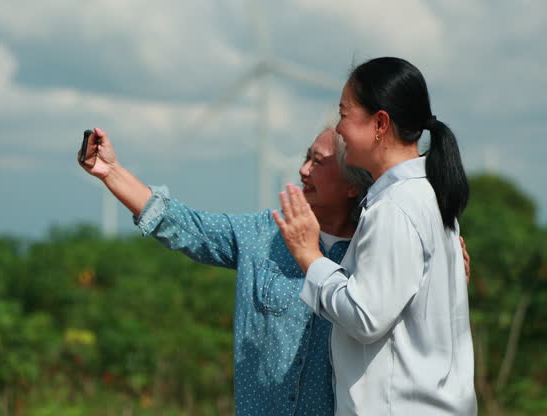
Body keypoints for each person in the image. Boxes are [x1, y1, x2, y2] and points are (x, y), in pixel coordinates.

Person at [77, 123, 471, 415]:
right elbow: (185, 225)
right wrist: (110, 171)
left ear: (353, 184)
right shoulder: (263, 234)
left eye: (317, 162)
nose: (302, 170)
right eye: (305, 157)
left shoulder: (386, 251)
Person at [274, 57, 477, 415]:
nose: (338, 129)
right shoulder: (426, 193)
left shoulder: (395, 207)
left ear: (380, 123)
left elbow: (366, 317)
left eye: (344, 114)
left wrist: (310, 257)